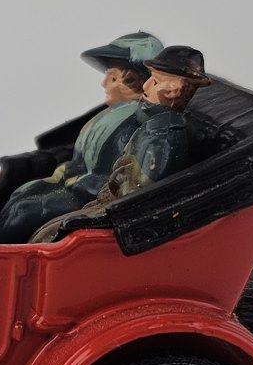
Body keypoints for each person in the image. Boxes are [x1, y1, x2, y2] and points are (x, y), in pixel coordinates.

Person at [26, 45, 215, 243]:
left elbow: (138, 194)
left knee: (49, 232)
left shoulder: (163, 137)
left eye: (155, 81)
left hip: (119, 213)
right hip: (109, 202)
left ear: (172, 90)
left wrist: (107, 184)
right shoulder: (152, 126)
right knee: (45, 224)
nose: (145, 86)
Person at [0, 32, 163, 244]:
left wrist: (76, 182)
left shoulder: (132, 124)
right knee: (22, 193)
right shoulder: (107, 116)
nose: (103, 83)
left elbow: (112, 178)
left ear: (133, 82)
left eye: (113, 78)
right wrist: (63, 173)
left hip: (91, 197)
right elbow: (79, 159)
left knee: (24, 213)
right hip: (74, 183)